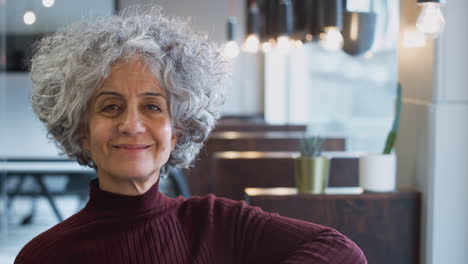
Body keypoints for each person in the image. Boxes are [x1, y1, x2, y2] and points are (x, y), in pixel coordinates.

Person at [15, 7, 367, 264]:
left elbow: (342, 252)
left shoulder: (220, 223)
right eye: (110, 107)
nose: (132, 125)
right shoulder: (45, 255)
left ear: (178, 130)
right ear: (81, 130)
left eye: (152, 107)